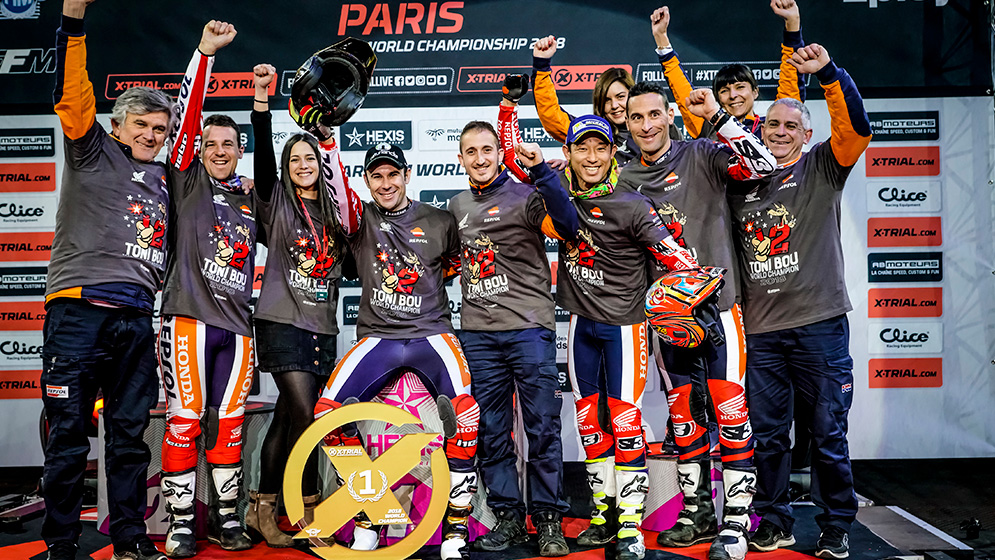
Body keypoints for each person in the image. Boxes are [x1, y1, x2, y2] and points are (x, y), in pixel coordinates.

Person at [618, 80, 776, 560]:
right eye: (636, 117)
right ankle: (697, 511)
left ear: (668, 115)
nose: (646, 125)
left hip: (719, 308)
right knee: (683, 417)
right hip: (666, 322)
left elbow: (764, 165)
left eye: (653, 115)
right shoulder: (623, 179)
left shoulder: (704, 152)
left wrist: (719, 117)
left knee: (730, 412)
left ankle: (736, 523)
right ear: (626, 123)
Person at [725, 43, 871, 559]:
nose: (780, 132)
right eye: (771, 126)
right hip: (762, 331)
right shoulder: (741, 184)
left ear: (807, 135)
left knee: (829, 432)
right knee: (766, 437)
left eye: (790, 126)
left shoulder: (823, 168)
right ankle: (774, 520)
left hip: (820, 325)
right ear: (759, 132)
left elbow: (854, 127)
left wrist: (830, 72)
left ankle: (836, 526)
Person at [42, 1, 172, 559]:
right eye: (140, 125)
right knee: (68, 438)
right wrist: (72, 23)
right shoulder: (91, 148)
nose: (150, 134)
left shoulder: (170, 175)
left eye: (159, 129)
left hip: (138, 318)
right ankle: (63, 546)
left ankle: (129, 540)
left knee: (128, 440)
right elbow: (74, 95)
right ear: (117, 125)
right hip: (78, 313)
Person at [535, 115, 698, 560]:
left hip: (625, 327)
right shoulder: (559, 198)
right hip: (579, 324)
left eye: (600, 149)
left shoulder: (634, 203)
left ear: (612, 154)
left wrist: (690, 296)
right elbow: (521, 170)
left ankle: (629, 523)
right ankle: (604, 516)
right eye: (581, 149)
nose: (591, 157)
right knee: (589, 424)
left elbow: (677, 259)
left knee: (626, 424)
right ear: (568, 153)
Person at [311, 141, 480, 560]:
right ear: (367, 181)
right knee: (326, 416)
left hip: (431, 334)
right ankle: (370, 518)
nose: (385, 184)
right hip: (378, 338)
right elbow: (335, 191)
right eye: (376, 176)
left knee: (467, 416)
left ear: (408, 175)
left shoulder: (441, 220)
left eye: (392, 174)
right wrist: (328, 141)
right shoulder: (359, 218)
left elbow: (464, 262)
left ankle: (455, 533)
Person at [448, 121, 572, 557]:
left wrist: (544, 174)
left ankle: (549, 519)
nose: (480, 158)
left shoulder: (527, 195)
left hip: (528, 330)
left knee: (542, 428)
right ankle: (508, 518)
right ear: (460, 158)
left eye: (487, 149)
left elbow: (569, 228)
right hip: (479, 336)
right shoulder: (456, 204)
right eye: (470, 151)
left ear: (500, 153)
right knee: (492, 432)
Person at [157, 21, 256, 558]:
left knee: (232, 425)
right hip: (189, 320)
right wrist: (205, 54)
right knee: (186, 418)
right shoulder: (186, 181)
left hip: (238, 331)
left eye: (229, 144)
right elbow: (187, 115)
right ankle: (178, 524)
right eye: (210, 144)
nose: (219, 150)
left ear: (240, 151)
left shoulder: (249, 198)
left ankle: (226, 520)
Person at [242, 63, 348, 548]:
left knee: (287, 417)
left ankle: (260, 508)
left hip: (322, 328)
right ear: (286, 168)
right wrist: (261, 102)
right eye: (295, 159)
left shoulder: (335, 211)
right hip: (282, 323)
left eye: (310, 157)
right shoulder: (276, 201)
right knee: (310, 419)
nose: (303, 165)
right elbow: (263, 157)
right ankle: (308, 517)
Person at [522, 35, 683, 169]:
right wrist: (541, 66)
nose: (614, 105)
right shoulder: (594, 131)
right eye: (607, 100)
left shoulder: (659, 127)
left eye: (620, 97)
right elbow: (552, 116)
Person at [652, 0, 806, 140]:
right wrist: (661, 38)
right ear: (717, 99)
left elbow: (790, 87)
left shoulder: (773, 128)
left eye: (740, 87)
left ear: (755, 92)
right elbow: (682, 90)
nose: (733, 95)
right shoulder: (709, 128)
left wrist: (793, 24)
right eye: (725, 90)